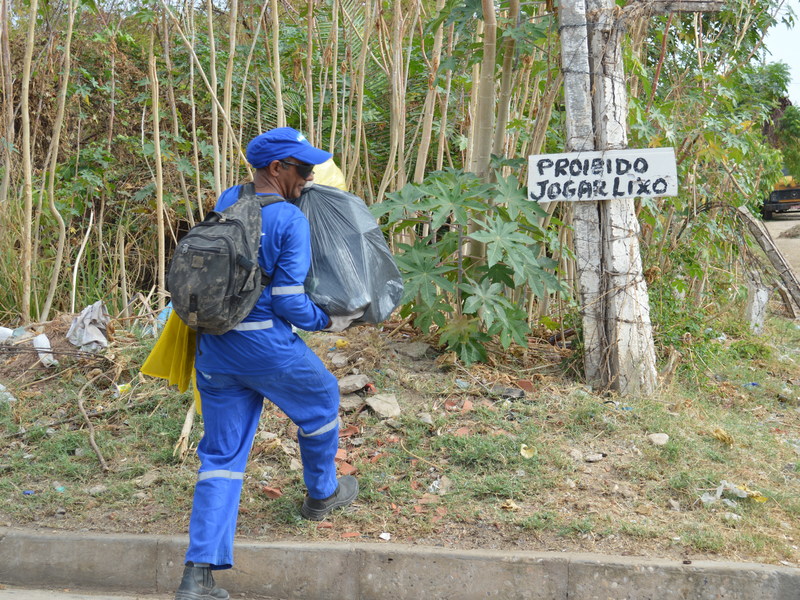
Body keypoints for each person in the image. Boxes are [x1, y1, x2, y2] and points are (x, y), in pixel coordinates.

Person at [174, 127, 362, 600]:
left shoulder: (228, 200)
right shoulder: (288, 220)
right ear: (276, 169)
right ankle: (322, 493)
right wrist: (330, 322)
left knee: (220, 458)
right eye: (301, 168)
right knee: (321, 400)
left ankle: (197, 576)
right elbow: (289, 302)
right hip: (266, 347)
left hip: (214, 349)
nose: (309, 176)